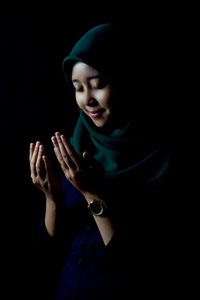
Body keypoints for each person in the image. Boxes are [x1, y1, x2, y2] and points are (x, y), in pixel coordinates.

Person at [29, 23, 177, 299]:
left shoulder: (160, 160)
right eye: (78, 88)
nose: (88, 100)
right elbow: (47, 254)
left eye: (98, 85)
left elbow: (136, 269)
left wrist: (93, 195)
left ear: (126, 81)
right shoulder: (78, 146)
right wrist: (52, 199)